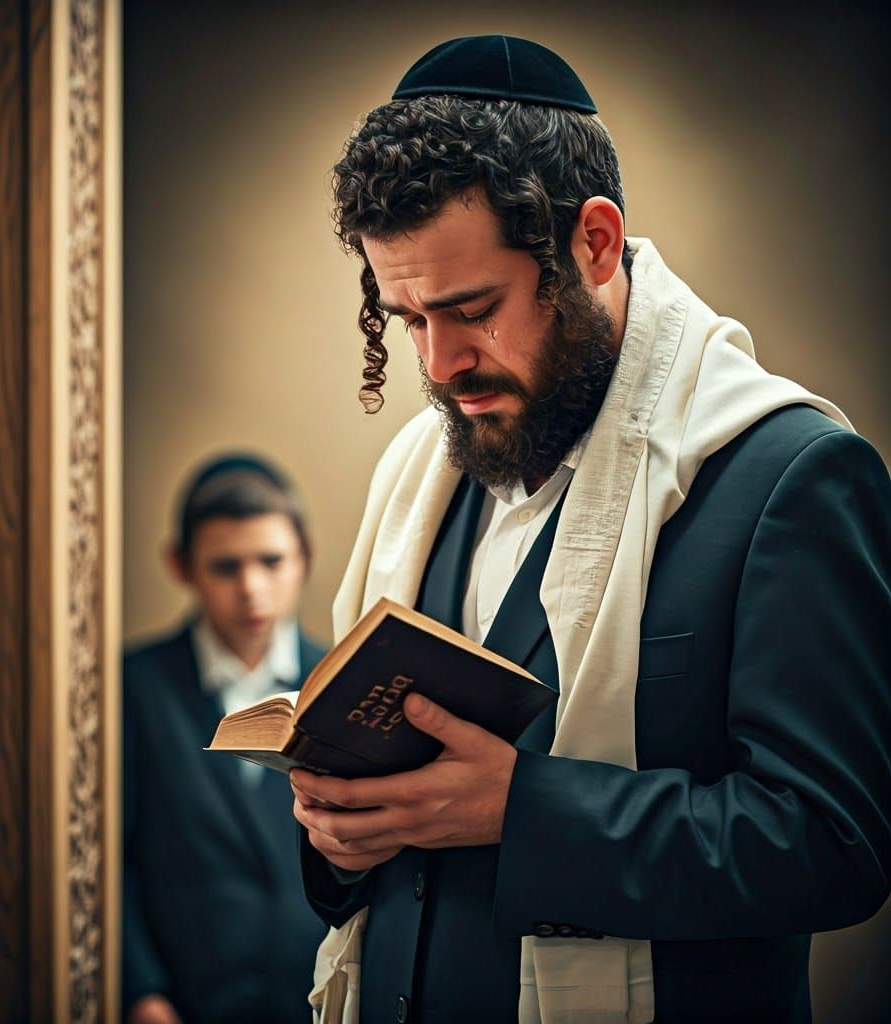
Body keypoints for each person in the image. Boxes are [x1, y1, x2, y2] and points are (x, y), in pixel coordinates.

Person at [291, 35, 891, 1024]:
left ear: (594, 243)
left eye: (471, 309)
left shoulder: (788, 473)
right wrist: (338, 835)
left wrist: (521, 812)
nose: (439, 366)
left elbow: (836, 845)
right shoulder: (415, 473)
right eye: (407, 320)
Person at [123, 454, 327, 1024]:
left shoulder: (346, 683)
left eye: (271, 561)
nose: (251, 587)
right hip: (183, 1001)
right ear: (181, 566)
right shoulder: (134, 687)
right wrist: (141, 993)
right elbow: (107, 861)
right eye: (225, 566)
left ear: (303, 557)